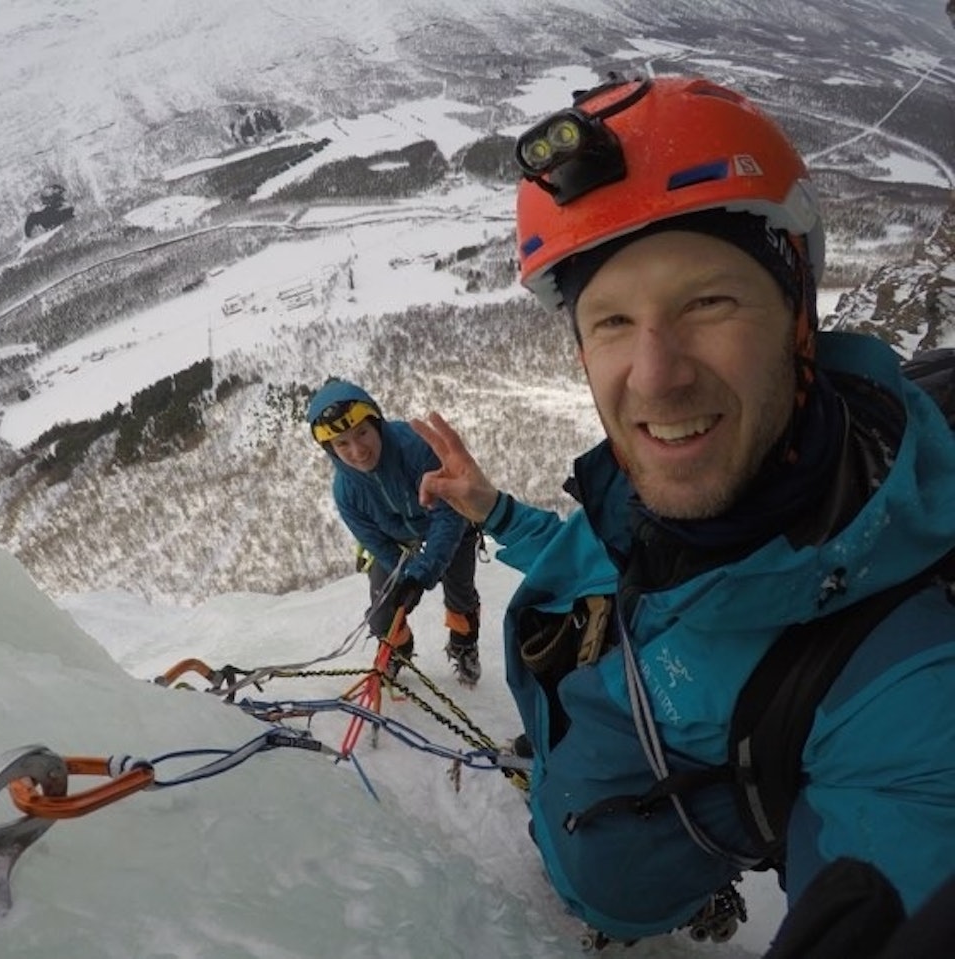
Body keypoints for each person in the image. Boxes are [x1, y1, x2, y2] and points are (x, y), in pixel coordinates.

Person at [409, 73, 955, 948]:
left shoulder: (899, 675)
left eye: (707, 301)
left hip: (638, 883)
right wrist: (496, 513)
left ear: (797, 316)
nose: (656, 375)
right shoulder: (665, 488)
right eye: (614, 320)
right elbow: (602, 560)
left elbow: (911, 838)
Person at [307, 379, 482, 684]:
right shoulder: (345, 491)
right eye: (342, 443)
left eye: (362, 433)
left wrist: (423, 573)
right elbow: (374, 541)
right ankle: (399, 648)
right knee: (382, 613)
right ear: (331, 449)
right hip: (397, 542)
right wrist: (406, 576)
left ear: (378, 425)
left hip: (448, 526)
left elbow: (449, 513)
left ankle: (463, 645)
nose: (358, 451)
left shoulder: (414, 448)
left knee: (461, 598)